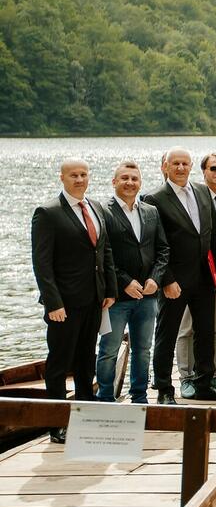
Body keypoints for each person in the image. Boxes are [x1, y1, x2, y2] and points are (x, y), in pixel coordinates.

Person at [31, 159, 116, 442]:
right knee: (59, 362)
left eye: (83, 174)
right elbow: (42, 264)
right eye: (73, 175)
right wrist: (53, 303)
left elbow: (104, 253)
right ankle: (56, 423)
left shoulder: (95, 207)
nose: (79, 179)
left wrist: (110, 290)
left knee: (85, 361)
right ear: (62, 178)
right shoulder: (48, 212)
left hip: (93, 299)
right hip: (64, 305)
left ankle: (86, 414)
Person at [144, 148, 216, 404]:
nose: (181, 168)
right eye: (175, 163)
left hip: (205, 276)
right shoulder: (155, 198)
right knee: (167, 333)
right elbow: (154, 245)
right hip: (174, 280)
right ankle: (164, 389)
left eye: (185, 163)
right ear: (165, 167)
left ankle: (204, 382)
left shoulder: (203, 191)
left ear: (191, 166)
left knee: (205, 331)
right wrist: (166, 279)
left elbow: (215, 235)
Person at [96, 160, 169, 404]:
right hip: (117, 296)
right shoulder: (102, 211)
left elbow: (163, 250)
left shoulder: (150, 211)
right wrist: (125, 281)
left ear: (140, 183)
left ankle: (139, 396)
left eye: (134, 179)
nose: (130, 183)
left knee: (143, 349)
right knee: (109, 350)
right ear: (114, 181)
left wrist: (155, 280)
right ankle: (105, 397)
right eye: (124, 178)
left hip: (147, 296)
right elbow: (102, 254)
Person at [175, 152, 216, 399]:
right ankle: (186, 376)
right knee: (188, 328)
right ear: (203, 171)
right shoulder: (194, 196)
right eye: (213, 168)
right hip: (195, 272)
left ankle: (208, 375)